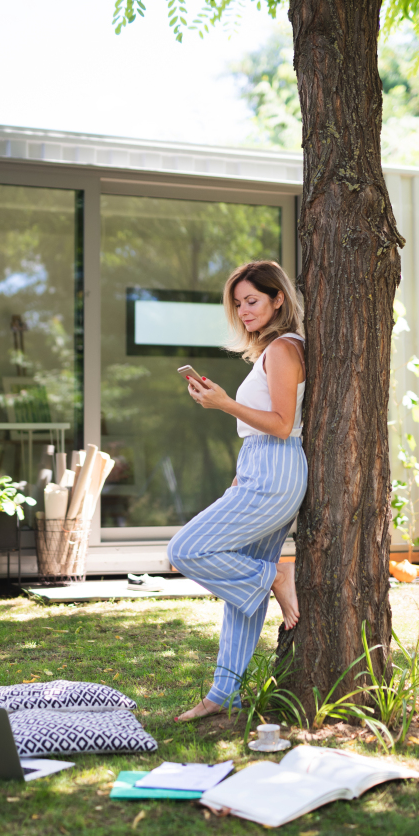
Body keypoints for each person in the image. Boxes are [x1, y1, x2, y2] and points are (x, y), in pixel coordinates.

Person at [168, 260, 307, 721]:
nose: (244, 311)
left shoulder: (284, 349)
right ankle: (225, 693)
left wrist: (224, 402)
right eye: (238, 304)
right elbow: (262, 431)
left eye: (252, 301)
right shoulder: (272, 351)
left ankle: (276, 577)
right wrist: (238, 475)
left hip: (276, 470)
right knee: (239, 598)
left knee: (185, 548)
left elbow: (283, 426)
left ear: (278, 299)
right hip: (260, 468)